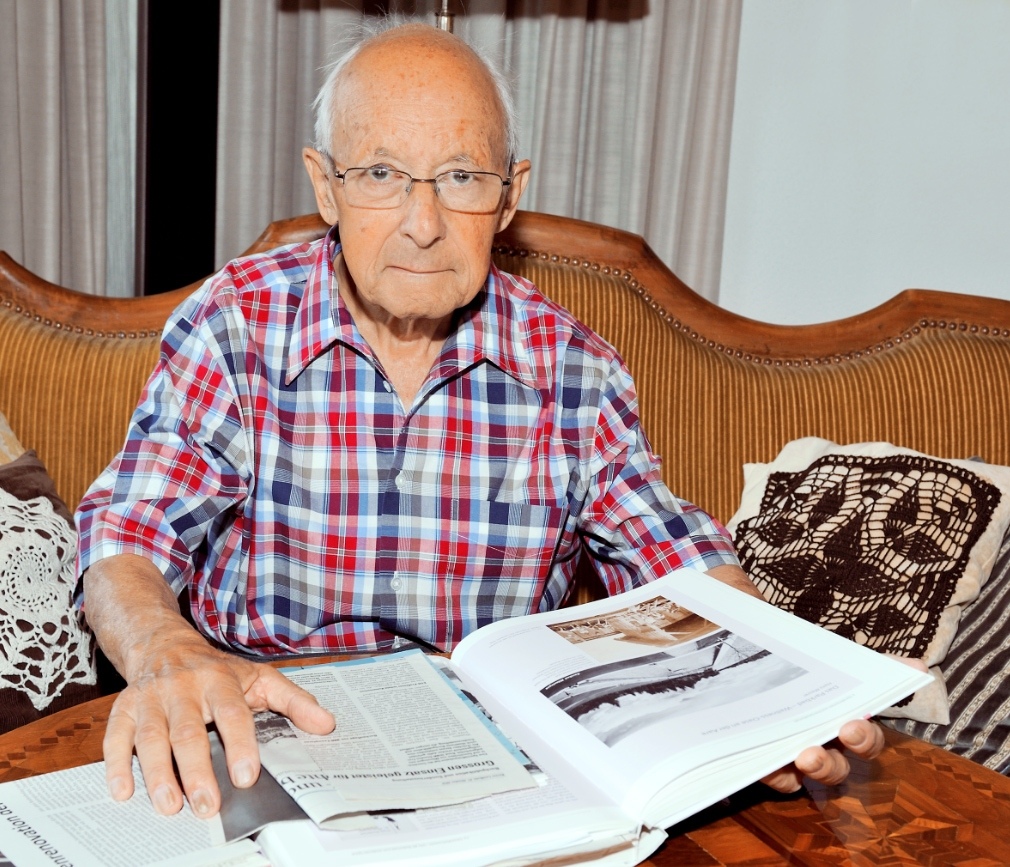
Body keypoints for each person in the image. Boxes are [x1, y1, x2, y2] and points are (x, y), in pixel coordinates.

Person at [75, 21, 884, 820]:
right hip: (265, 734)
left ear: (508, 197)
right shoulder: (236, 323)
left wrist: (789, 685)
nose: (423, 224)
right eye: (382, 173)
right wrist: (164, 648)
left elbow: (675, 560)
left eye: (461, 177)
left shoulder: (573, 369)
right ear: (325, 186)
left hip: (496, 771)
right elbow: (129, 532)